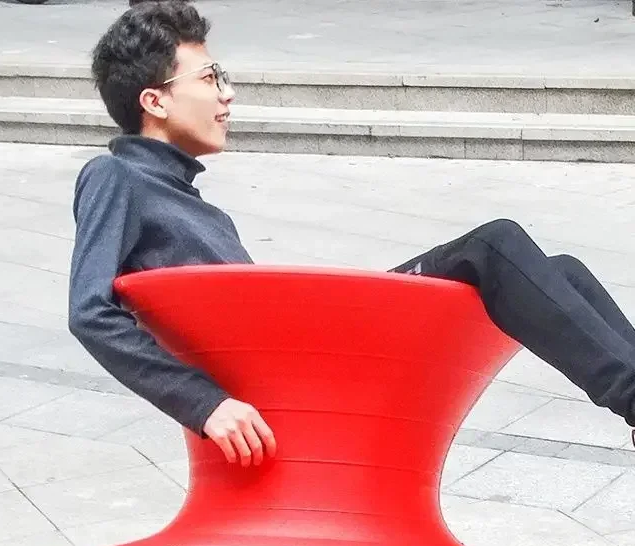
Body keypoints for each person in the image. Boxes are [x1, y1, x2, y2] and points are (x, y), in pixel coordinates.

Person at [69, 0, 635, 467]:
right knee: (495, 245)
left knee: (561, 272)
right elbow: (90, 312)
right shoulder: (114, 175)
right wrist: (203, 404)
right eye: (209, 77)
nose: (227, 93)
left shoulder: (188, 203)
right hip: (312, 366)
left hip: (313, 346)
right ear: (155, 100)